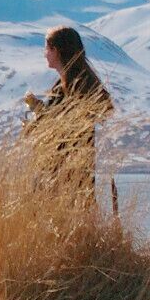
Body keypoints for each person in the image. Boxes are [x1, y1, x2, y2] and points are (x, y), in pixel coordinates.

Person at [22, 25, 113, 203]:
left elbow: (61, 128)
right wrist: (38, 110)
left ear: (55, 51)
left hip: (64, 171)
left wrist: (36, 119)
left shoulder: (72, 85)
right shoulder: (78, 81)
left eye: (46, 49)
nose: (44, 53)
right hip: (75, 171)